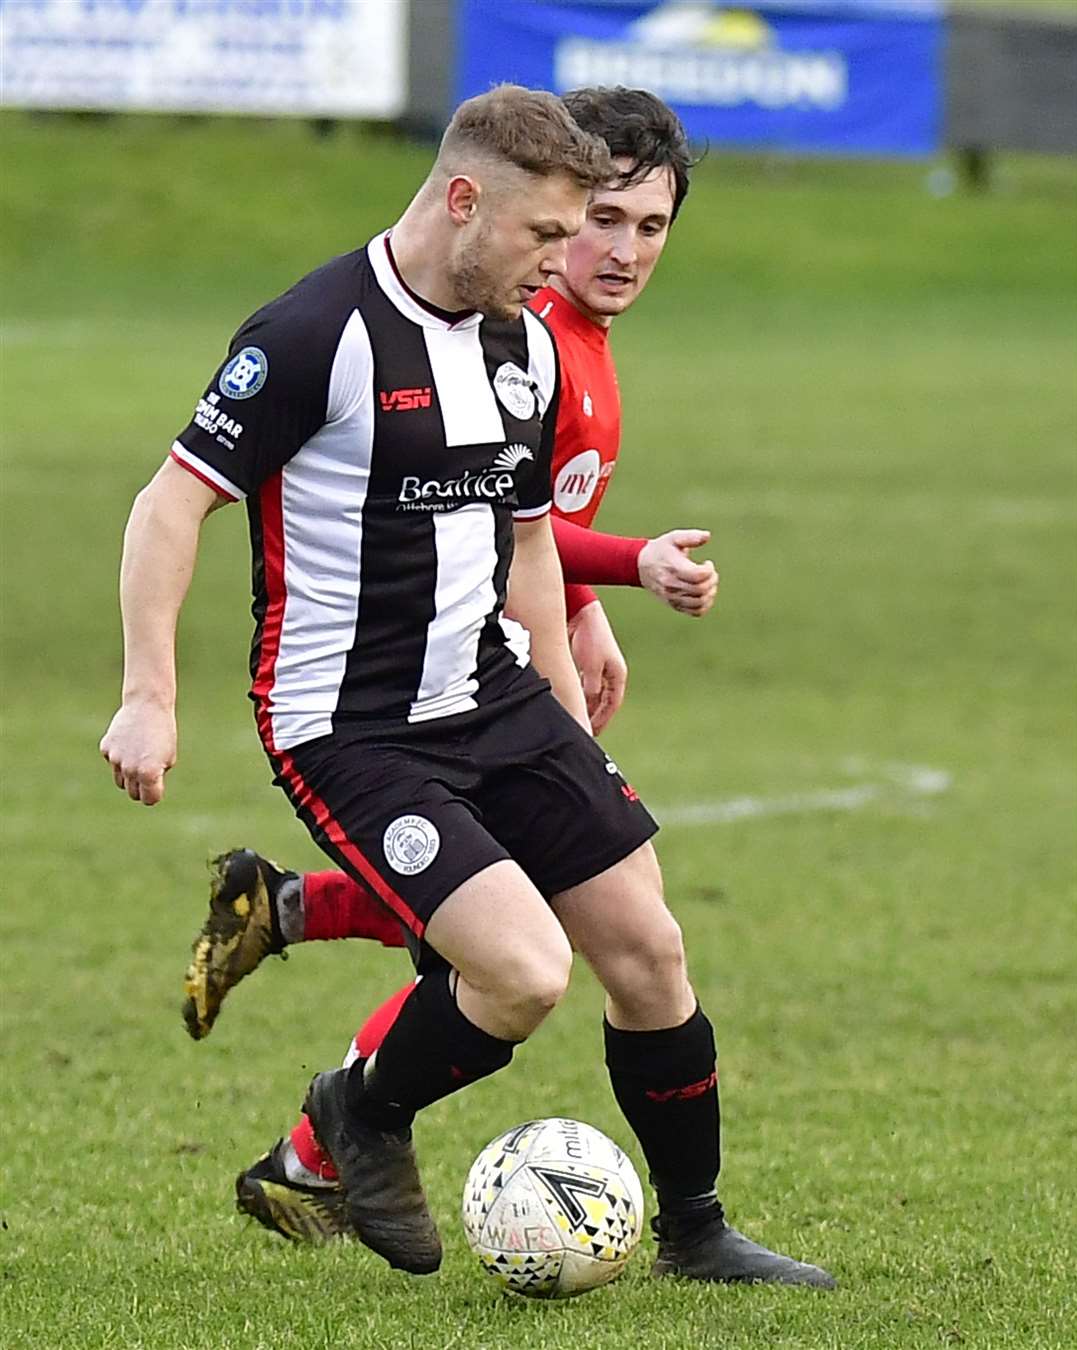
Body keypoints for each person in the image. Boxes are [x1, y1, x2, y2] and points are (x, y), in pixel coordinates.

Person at [102, 84, 834, 1288]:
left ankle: (695, 1232)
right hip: (352, 724)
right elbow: (170, 501)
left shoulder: (525, 341)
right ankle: (359, 1113)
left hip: (492, 694)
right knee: (524, 971)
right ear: (461, 201)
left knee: (646, 949)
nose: (566, 260)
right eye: (548, 233)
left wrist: (559, 711)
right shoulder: (311, 335)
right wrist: (148, 693)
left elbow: (532, 541)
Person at [183, 86, 719, 1037]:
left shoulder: (566, 347)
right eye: (597, 221)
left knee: (546, 919)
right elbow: (483, 519)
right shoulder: (503, 327)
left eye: (652, 225)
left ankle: (288, 914)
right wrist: (630, 568)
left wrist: (584, 617)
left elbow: (525, 526)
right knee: (509, 934)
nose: (619, 251)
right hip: (405, 688)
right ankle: (325, 1136)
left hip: (498, 672)